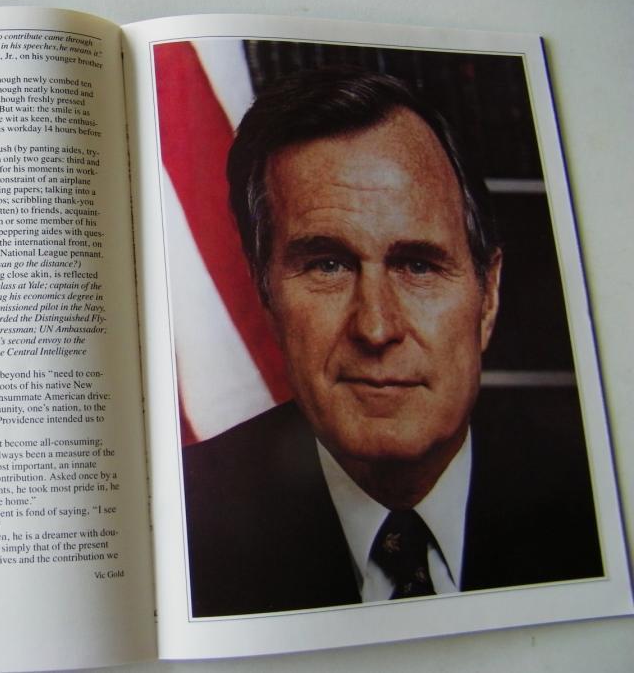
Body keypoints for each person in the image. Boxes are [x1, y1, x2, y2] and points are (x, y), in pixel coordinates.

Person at [182, 68, 602, 617]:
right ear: (265, 294)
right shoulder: (186, 518)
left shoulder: (596, 503)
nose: (376, 329)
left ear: (489, 296)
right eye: (327, 265)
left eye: (418, 266)